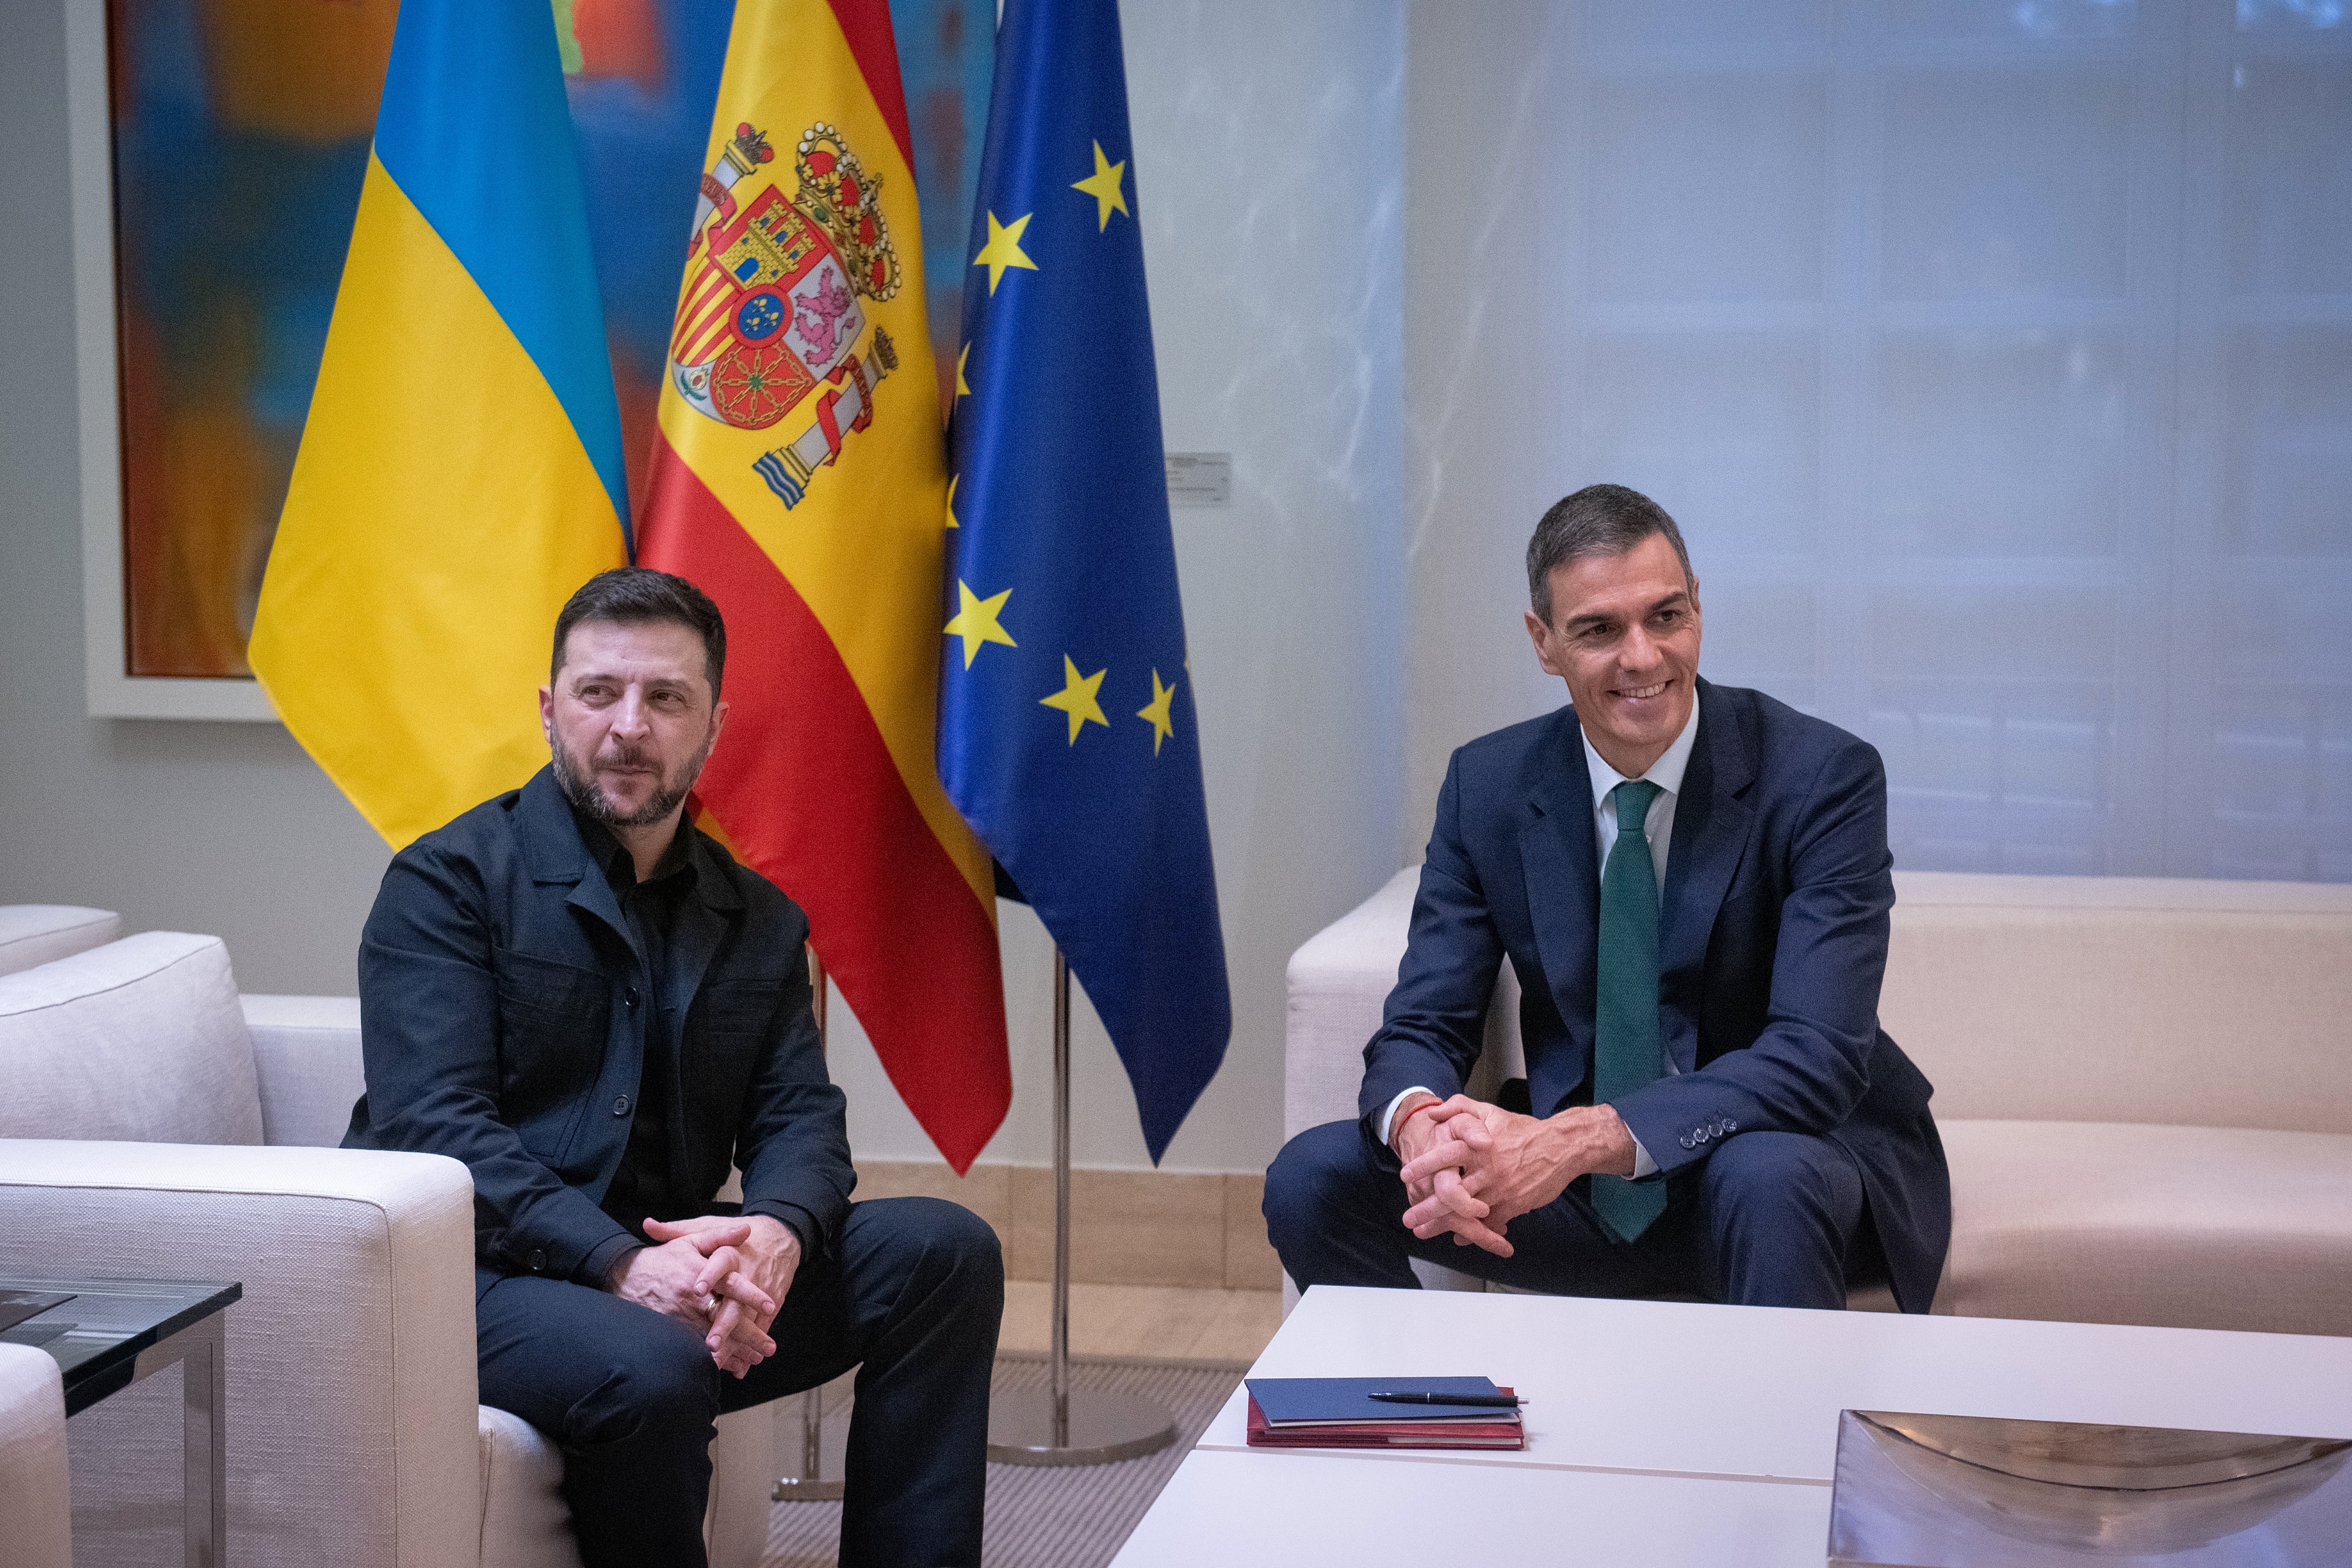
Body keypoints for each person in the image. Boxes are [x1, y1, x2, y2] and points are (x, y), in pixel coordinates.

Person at [345, 567, 1001, 1567]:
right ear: (549, 709)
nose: (628, 727)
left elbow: (799, 1121)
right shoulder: (446, 884)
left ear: (714, 725)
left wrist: (775, 1236)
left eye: (666, 698)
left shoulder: (759, 918)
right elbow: (434, 1126)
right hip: (476, 1282)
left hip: (676, 1278)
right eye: (598, 692)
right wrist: (621, 1264)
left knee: (943, 1250)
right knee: (649, 1359)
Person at [1264, 484, 1950, 1313]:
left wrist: (1583, 1140)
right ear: (1543, 642)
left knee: (1767, 1176)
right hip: (1576, 1193)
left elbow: (1817, 1057)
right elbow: (1424, 1023)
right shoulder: (1488, 786)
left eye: (1666, 617)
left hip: (1771, 1171)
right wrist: (1424, 1133)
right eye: (1598, 629)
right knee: (1312, 1177)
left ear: (1697, 607)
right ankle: (1426, 1417)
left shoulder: (1820, 778)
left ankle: (1772, 1444)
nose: (1642, 657)